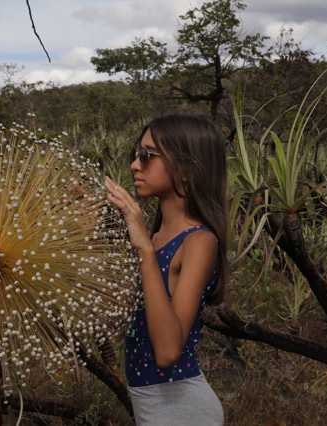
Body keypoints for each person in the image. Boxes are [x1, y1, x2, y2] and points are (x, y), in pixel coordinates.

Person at [105, 113, 226, 425]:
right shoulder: (157, 239)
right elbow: (128, 318)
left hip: (183, 410)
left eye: (147, 156)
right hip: (152, 408)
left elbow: (168, 351)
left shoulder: (199, 241)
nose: (135, 164)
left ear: (188, 167)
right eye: (136, 154)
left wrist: (143, 247)